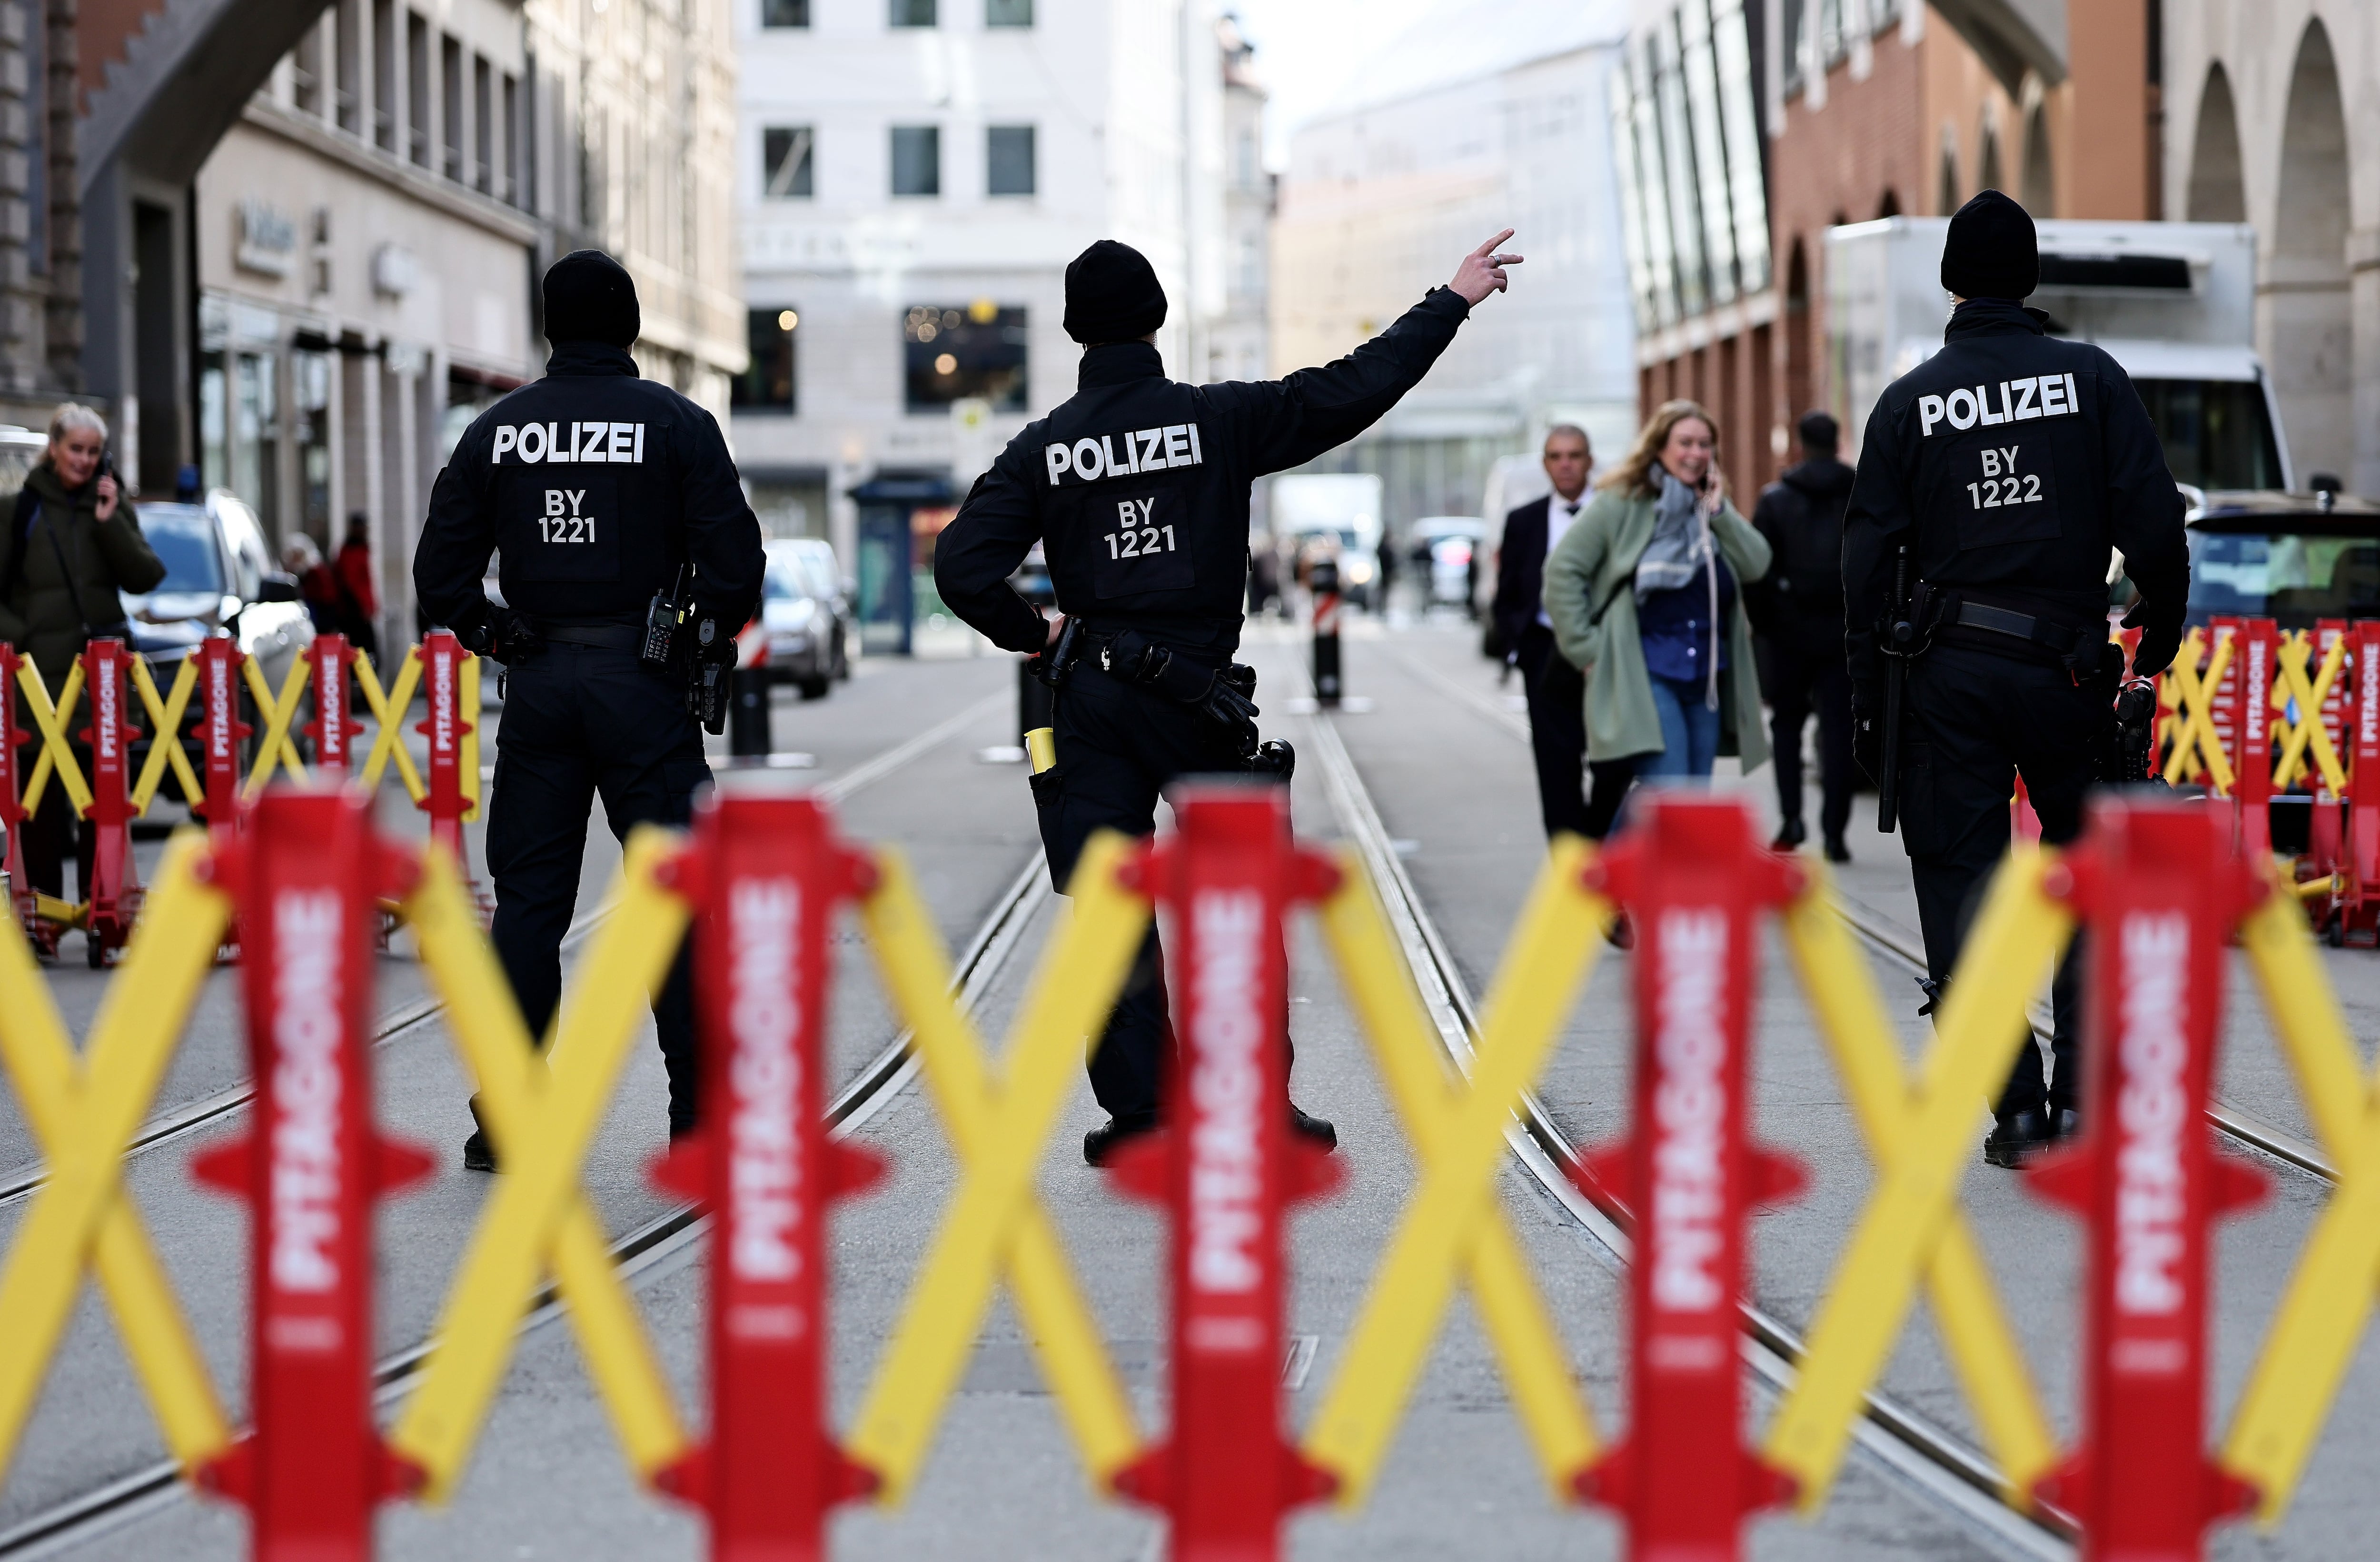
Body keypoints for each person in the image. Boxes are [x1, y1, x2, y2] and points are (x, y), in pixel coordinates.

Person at [934, 229, 1524, 1164]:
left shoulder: (1043, 449)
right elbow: (1355, 387)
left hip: (1089, 697)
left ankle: (1141, 1114)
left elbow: (961, 566)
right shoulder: (1218, 419)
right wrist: (1449, 299)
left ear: (1075, 331)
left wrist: (1035, 633)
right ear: (1158, 320)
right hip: (1195, 696)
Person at [1841, 190, 2188, 1168]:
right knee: (2087, 875)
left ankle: (2019, 1109)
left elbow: (1863, 568)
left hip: (1945, 678)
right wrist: (2160, 623)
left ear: (1950, 281)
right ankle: (2079, 1100)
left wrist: (1868, 708)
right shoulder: (2091, 379)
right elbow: (2153, 515)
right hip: (2065, 673)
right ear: (2030, 277)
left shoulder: (1909, 403)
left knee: (1963, 889)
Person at [413, 249, 764, 1169]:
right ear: (631, 325)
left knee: (529, 907)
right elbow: (737, 569)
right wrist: (699, 633)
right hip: (644, 687)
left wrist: (496, 634)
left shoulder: (497, 432)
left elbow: (439, 575)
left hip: (538, 685)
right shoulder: (677, 425)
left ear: (548, 327)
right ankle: (699, 1119)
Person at [1541, 400, 1771, 839]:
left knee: (1690, 802)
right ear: (1659, 448)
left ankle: (1627, 876)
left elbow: (1757, 563)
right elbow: (1561, 571)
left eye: (1705, 444)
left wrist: (1720, 513)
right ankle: (1605, 874)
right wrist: (1587, 650)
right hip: (1647, 675)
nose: (1696, 453)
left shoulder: (1709, 510)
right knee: (1670, 795)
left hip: (1705, 681)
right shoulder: (1622, 502)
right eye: (1685, 443)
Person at [0, 403, 164, 957]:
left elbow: (145, 576)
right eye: (76, 449)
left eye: (94, 452)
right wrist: (22, 638)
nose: (85, 460)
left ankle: (103, 914)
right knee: (41, 808)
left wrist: (110, 520)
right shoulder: (18, 509)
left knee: (104, 800)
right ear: (54, 448)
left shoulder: (109, 506)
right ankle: (43, 919)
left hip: (102, 685)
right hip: (38, 689)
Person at [1492, 425, 1626, 841]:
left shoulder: (1614, 513)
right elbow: (1508, 592)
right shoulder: (1523, 520)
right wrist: (1519, 647)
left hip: (1606, 654)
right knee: (1556, 767)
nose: (1566, 464)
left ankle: (1599, 844)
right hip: (1545, 654)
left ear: (1590, 461)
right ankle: (1570, 866)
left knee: (1615, 763)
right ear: (1545, 464)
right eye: (1556, 456)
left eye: (1574, 455)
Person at [1748, 410, 1857, 861]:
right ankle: (1835, 833)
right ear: (1836, 443)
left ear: (1800, 445)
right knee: (1840, 731)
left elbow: (1757, 569)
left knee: (1787, 726)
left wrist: (1767, 625)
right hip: (1844, 632)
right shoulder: (1858, 493)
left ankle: (1791, 819)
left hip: (1787, 633)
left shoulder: (1776, 499)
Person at [334, 512, 382, 663]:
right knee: (365, 655)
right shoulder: (350, 552)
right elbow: (350, 584)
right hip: (355, 614)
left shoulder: (360, 550)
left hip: (360, 611)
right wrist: (362, 608)